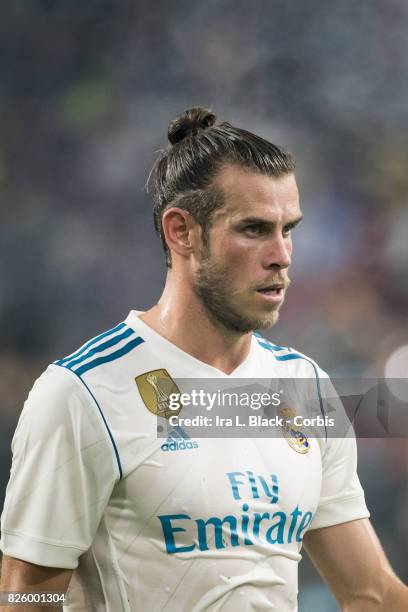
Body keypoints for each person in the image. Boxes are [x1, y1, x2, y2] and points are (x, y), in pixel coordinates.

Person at [1, 107, 407, 612]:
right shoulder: (83, 394)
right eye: (255, 229)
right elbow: (22, 598)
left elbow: (371, 593)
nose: (282, 254)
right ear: (182, 233)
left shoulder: (303, 386)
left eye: (289, 229)